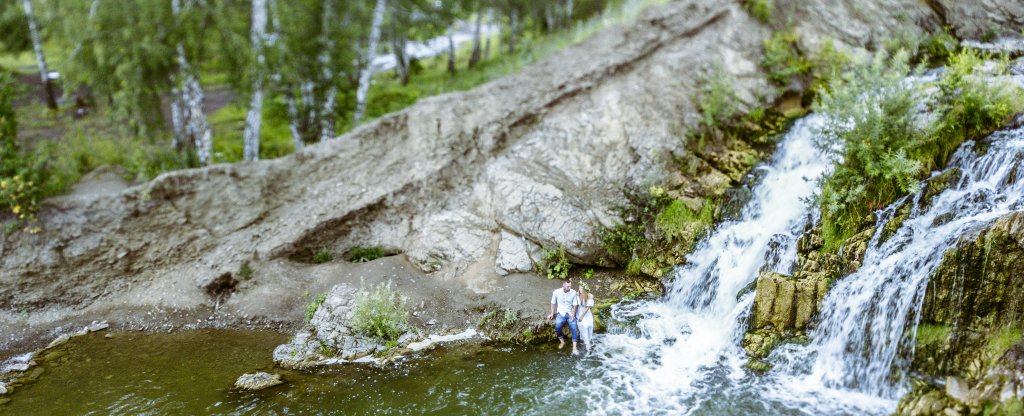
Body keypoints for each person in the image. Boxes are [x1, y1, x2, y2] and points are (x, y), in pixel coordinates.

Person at [546, 278, 580, 355]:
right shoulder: (556, 292)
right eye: (568, 286)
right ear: (563, 285)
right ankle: (562, 342)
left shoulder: (573, 292)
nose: (570, 288)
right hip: (561, 313)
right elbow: (553, 303)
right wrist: (552, 313)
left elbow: (575, 304)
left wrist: (573, 314)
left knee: (574, 327)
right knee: (558, 326)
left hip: (570, 312)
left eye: (570, 286)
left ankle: (574, 347)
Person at [576, 283, 595, 353]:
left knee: (589, 325)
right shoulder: (578, 294)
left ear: (584, 289)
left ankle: (589, 339)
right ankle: (587, 343)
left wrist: (582, 316)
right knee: (582, 324)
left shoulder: (589, 295)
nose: (580, 289)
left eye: (581, 288)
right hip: (579, 311)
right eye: (579, 288)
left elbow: (588, 307)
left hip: (586, 313)